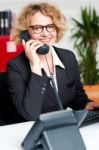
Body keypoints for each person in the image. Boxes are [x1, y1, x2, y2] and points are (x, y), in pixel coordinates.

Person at [7, 2, 99, 121]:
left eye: (50, 26)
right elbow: (30, 114)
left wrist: (87, 104)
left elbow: (77, 96)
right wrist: (36, 66)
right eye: (37, 28)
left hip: (61, 127)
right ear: (26, 33)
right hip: (30, 131)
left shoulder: (68, 58)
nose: (45, 33)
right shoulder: (15, 67)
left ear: (57, 29)